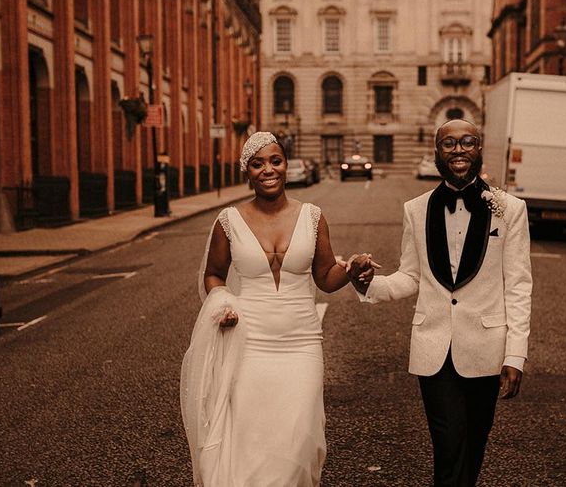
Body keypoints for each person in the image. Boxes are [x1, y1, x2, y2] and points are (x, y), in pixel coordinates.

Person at [348, 118, 532, 487]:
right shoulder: (416, 210)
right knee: (448, 444)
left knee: (474, 444)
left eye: (467, 142)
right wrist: (368, 284)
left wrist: (515, 356)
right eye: (449, 144)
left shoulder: (509, 209)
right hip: (434, 347)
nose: (458, 150)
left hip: (486, 345)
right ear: (437, 152)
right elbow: (411, 277)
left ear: (479, 148)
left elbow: (518, 286)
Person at [180, 131, 355, 487]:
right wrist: (223, 304)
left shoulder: (312, 216)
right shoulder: (228, 221)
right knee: (253, 439)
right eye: (258, 164)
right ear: (247, 172)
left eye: (275, 161)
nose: (268, 170)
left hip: (302, 343)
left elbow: (325, 277)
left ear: (286, 165)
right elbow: (214, 274)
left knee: (300, 436)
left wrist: (351, 269)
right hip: (251, 343)